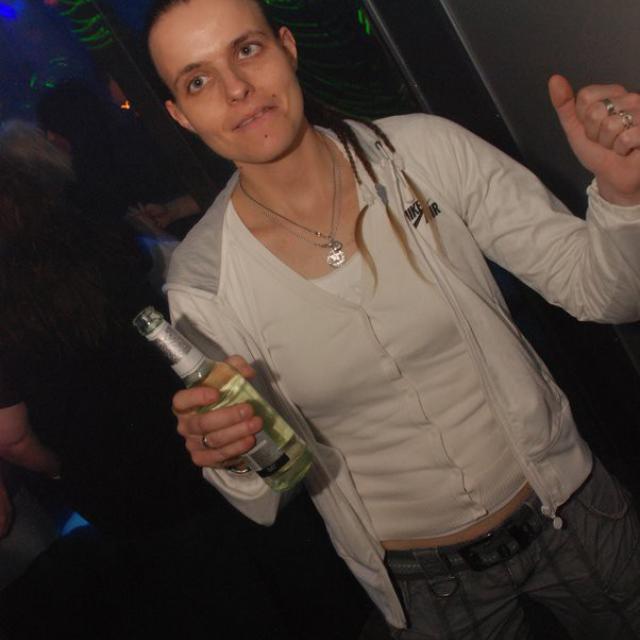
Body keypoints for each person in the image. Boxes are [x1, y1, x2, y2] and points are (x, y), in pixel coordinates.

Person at [145, 0, 640, 637]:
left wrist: (624, 196)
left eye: (246, 49)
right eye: (198, 80)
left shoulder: (421, 151)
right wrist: (231, 453)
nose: (236, 87)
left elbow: (601, 292)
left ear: (287, 47)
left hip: (575, 515)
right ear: (180, 115)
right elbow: (265, 488)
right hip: (428, 587)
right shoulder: (204, 280)